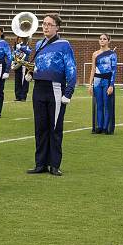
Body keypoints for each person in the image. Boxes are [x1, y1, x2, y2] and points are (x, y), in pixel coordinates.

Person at [25, 14, 76, 176]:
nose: (45, 27)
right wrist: (30, 73)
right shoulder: (39, 44)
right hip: (39, 88)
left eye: (49, 24)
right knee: (40, 127)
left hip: (55, 88)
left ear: (57, 27)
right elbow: (37, 65)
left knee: (54, 127)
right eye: (44, 24)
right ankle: (40, 163)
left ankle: (54, 164)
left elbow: (71, 69)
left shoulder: (64, 44)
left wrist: (68, 92)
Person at [88, 34, 116, 134]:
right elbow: (92, 69)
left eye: (104, 39)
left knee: (106, 104)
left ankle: (106, 127)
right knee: (99, 104)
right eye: (100, 39)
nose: (102, 41)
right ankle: (99, 126)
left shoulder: (112, 54)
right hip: (97, 81)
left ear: (108, 41)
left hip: (107, 81)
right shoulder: (95, 54)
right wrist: (90, 84)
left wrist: (111, 85)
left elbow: (113, 70)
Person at [12, 36, 31, 101]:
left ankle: (23, 96)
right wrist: (12, 62)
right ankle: (18, 96)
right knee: (17, 81)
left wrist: (21, 48)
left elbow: (29, 52)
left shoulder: (26, 46)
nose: (19, 40)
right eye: (18, 39)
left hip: (24, 65)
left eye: (21, 39)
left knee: (24, 81)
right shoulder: (16, 47)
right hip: (17, 65)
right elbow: (14, 55)